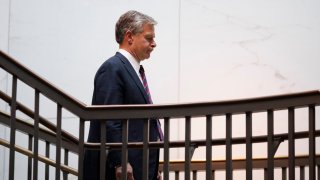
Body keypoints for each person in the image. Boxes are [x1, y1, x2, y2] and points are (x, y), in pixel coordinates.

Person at [83, 10, 162, 180]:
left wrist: (152, 166)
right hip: (121, 170)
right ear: (129, 36)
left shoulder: (135, 70)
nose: (154, 43)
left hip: (138, 165)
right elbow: (111, 119)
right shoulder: (112, 68)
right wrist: (121, 161)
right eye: (149, 38)